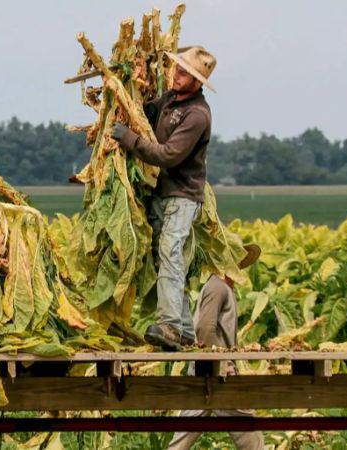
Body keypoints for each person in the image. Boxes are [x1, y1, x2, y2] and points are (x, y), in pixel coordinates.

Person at [111, 46, 217, 350]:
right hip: (161, 193)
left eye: (185, 73)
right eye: (178, 70)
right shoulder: (172, 97)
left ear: (198, 82)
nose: (178, 75)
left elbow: (168, 155)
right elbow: (153, 110)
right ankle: (184, 329)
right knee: (165, 257)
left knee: (170, 251)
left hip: (183, 195)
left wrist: (129, 140)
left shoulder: (197, 115)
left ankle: (169, 326)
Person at [167, 244, 264, 450]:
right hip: (217, 373)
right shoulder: (217, 287)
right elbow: (204, 328)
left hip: (208, 370)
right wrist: (219, 362)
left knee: (186, 431)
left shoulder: (222, 287)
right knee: (247, 427)